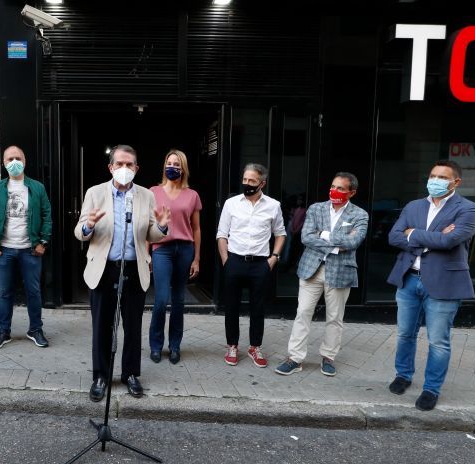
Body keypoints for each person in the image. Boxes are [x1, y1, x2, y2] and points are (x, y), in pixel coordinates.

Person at [74, 144, 171, 401]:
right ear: (111, 167)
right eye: (120, 164)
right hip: (104, 269)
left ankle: (130, 374)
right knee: (102, 326)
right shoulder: (95, 193)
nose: (124, 169)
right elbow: (79, 231)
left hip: (134, 269)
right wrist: (88, 226)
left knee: (133, 325)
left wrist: (160, 227)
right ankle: (101, 376)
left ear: (137, 168)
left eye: (130, 165)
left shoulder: (145, 196)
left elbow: (149, 233)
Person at [387, 159, 475, 411]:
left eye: (442, 177)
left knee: (438, 340)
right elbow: (394, 236)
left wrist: (413, 233)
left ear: (455, 182)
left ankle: (431, 389)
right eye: (432, 176)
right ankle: (403, 375)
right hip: (409, 279)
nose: (435, 181)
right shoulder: (414, 205)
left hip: (444, 283)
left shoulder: (470, 209)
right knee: (405, 333)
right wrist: (435, 238)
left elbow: (451, 240)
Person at [275, 173, 369, 377]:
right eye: (333, 186)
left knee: (335, 317)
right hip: (312, 269)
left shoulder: (360, 214)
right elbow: (307, 238)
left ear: (352, 192)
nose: (334, 190)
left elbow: (354, 242)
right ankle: (295, 358)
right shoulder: (316, 208)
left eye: (341, 188)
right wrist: (338, 242)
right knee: (303, 313)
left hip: (340, 272)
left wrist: (324, 234)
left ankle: (328, 357)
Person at [0, 145, 52, 349]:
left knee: (34, 291)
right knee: (5, 293)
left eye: (18, 158)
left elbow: (47, 215)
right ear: (4, 164)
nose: (14, 162)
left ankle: (35, 329)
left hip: (30, 250)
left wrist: (43, 242)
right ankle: (3, 331)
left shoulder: (37, 187)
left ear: (25, 161)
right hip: (4, 250)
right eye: (10, 159)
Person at [216, 163, 286, 367]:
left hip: (260, 264)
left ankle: (255, 347)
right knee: (231, 307)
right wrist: (225, 260)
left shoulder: (273, 205)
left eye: (252, 181)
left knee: (258, 308)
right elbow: (222, 234)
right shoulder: (231, 203)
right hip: (235, 261)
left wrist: (273, 258)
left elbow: (280, 233)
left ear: (262, 183)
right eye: (245, 180)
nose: (247, 184)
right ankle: (232, 345)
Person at [147, 149, 201, 364]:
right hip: (162, 249)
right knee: (160, 300)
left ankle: (175, 346)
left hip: (185, 249)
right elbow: (148, 225)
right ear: (164, 166)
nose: (173, 167)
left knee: (178, 300)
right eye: (169, 163)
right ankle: (156, 345)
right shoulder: (153, 192)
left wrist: (197, 258)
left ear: (183, 168)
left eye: (177, 164)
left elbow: (196, 229)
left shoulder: (192, 195)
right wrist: (147, 253)